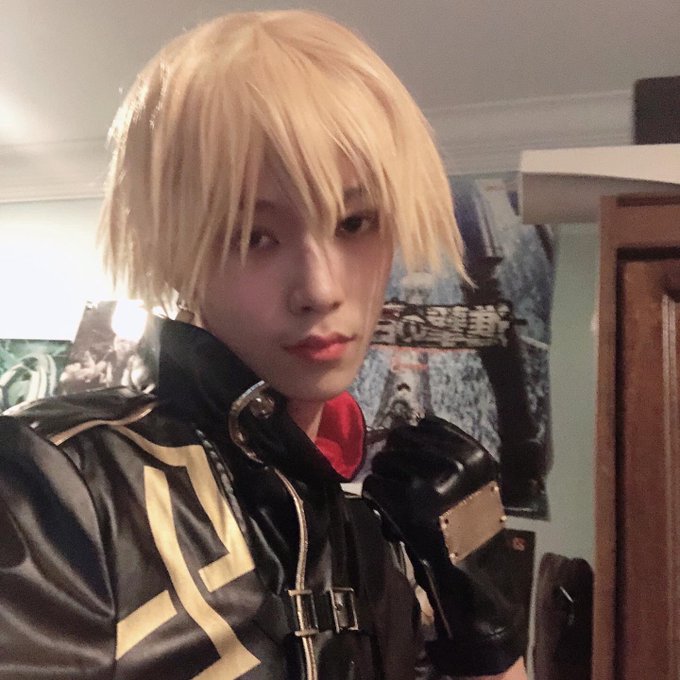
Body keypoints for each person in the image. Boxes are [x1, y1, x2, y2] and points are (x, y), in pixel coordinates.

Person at [0, 10, 528, 679]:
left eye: (355, 223)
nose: (320, 289)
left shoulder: (371, 536)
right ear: (175, 253)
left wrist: (487, 633)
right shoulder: (58, 487)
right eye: (253, 235)